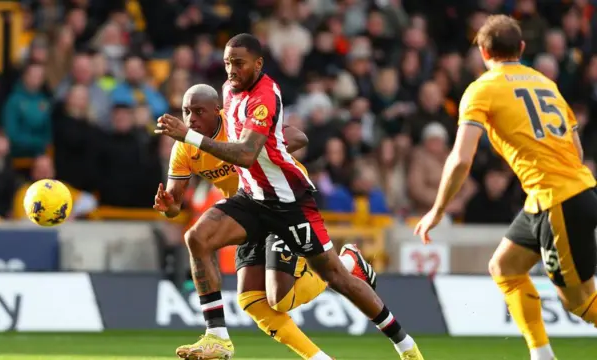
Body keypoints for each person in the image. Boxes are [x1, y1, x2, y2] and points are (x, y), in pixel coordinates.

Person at [156, 33, 423, 360]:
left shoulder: (265, 97)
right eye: (227, 63)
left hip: (287, 201)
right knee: (202, 242)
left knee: (326, 280)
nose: (231, 70)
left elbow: (246, 155)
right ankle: (218, 338)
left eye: (238, 63)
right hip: (252, 198)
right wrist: (170, 207)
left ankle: (404, 343)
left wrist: (262, 147)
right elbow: (179, 196)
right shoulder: (227, 94)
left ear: (258, 64)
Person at [414, 15, 597, 360]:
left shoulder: (482, 89)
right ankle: (542, 355)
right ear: (522, 48)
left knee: (580, 303)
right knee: (505, 267)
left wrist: (437, 210)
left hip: (557, 199)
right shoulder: (545, 82)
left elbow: (461, 159)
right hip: (560, 194)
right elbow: (577, 150)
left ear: (483, 51)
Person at [154, 83, 376, 360]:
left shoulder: (239, 126)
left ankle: (346, 265)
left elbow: (300, 137)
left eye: (198, 111)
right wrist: (169, 207)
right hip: (245, 215)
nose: (191, 119)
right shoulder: (184, 150)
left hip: (281, 204)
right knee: (252, 302)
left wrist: (255, 151)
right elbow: (174, 204)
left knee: (280, 297)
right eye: (187, 112)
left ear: (218, 111)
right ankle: (225, 339)